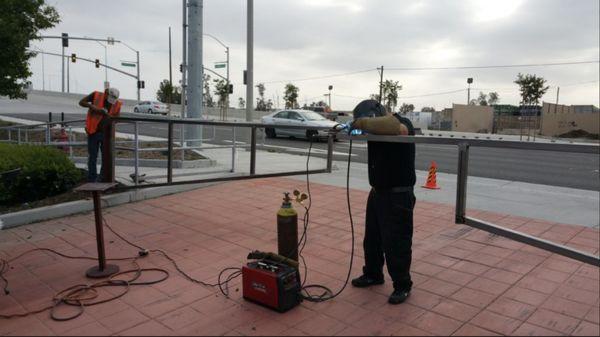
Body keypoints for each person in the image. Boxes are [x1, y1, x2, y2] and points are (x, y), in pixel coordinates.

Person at [349, 99, 416, 305]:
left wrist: (361, 123)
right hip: (378, 191)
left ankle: (402, 284)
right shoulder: (375, 129)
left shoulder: (402, 122)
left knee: (396, 242)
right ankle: (373, 274)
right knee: (373, 239)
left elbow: (398, 129)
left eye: (366, 120)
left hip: (398, 194)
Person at [78, 87, 122, 182]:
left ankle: (102, 178)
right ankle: (92, 179)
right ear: (106, 93)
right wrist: (93, 107)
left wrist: (109, 116)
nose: (111, 102)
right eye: (110, 98)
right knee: (92, 157)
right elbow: (81, 102)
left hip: (107, 134)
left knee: (106, 157)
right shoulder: (96, 95)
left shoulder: (117, 104)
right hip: (93, 131)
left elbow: (117, 118)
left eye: (114, 99)